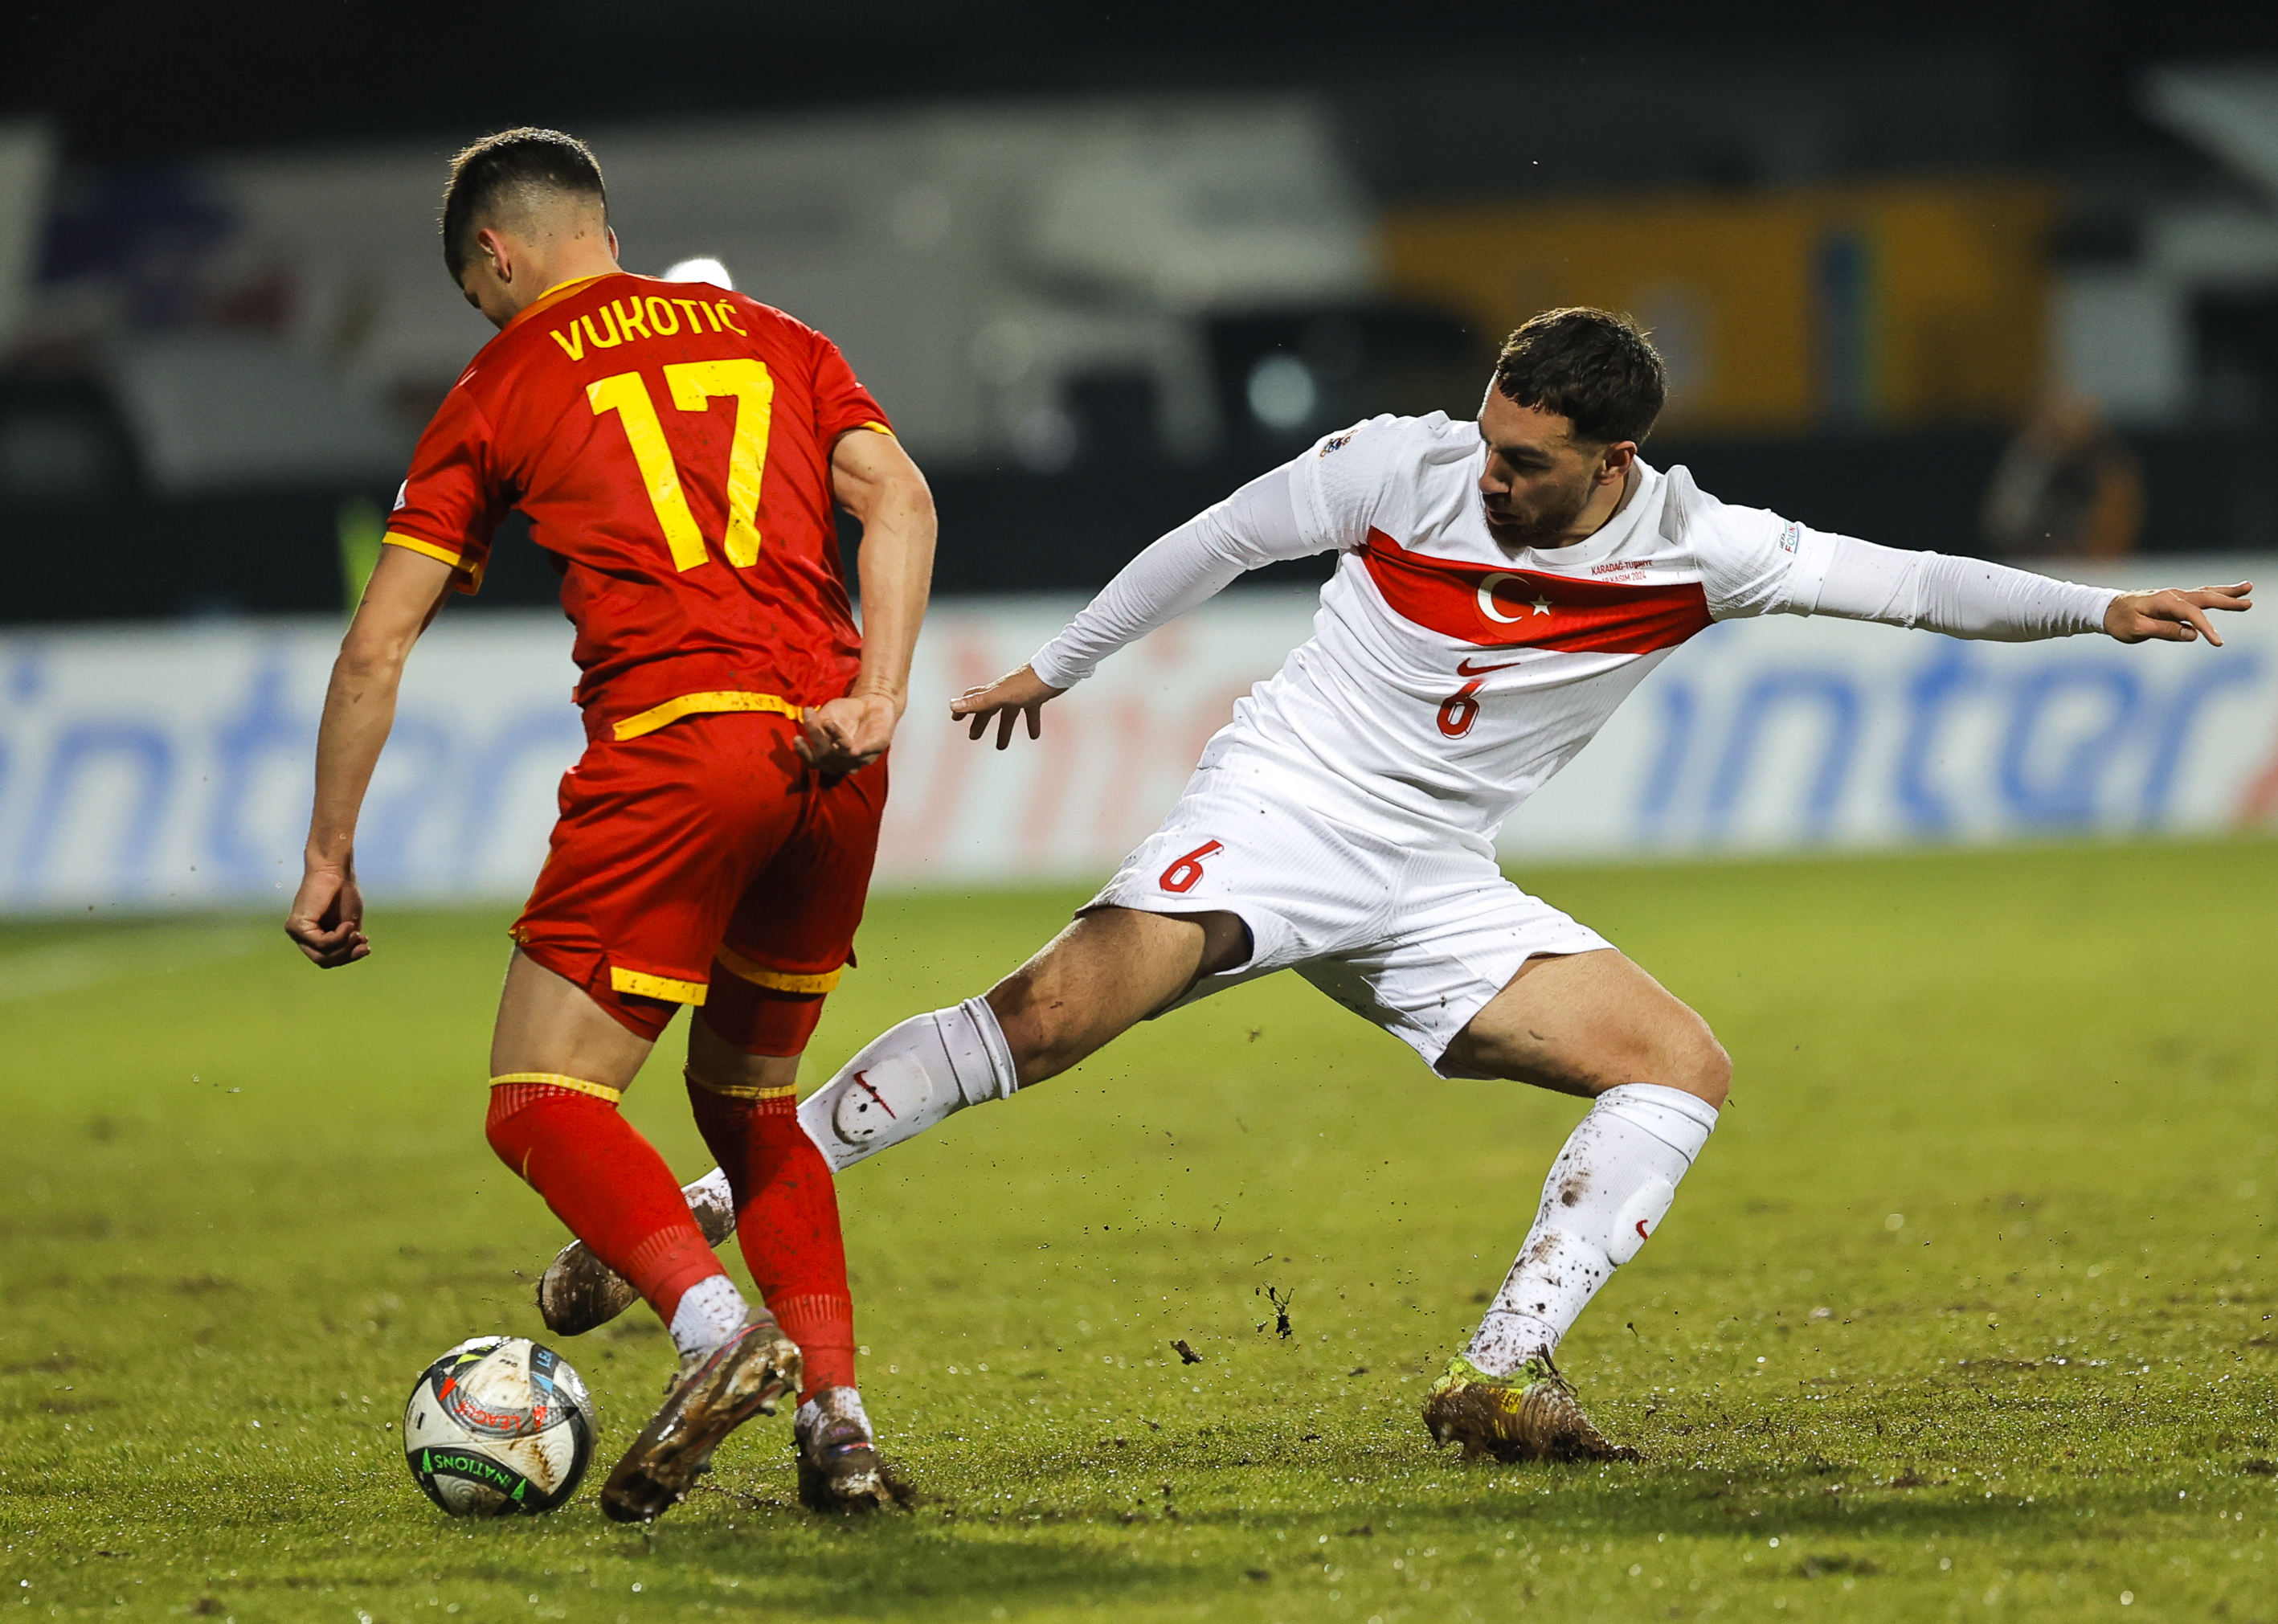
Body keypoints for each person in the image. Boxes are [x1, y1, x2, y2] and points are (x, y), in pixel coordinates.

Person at [538, 306, 2248, 1462]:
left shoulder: (1699, 551)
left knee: (1678, 1065)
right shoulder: (1397, 465)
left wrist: (2095, 607)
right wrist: (1058, 665)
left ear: (1611, 462)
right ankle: (688, 1217)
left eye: (1523, 461)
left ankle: (1500, 1374)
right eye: (1487, 439)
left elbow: (1910, 583)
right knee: (1050, 1019)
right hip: (1287, 805)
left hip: (1430, 879)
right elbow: (1219, 537)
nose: (1485, 473)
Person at [284, 128, 936, 1519]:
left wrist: (330, 849)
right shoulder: (781, 334)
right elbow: (899, 498)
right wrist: (879, 697)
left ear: (497, 255)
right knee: (750, 1097)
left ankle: (719, 1333)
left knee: (542, 1100)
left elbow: (374, 651)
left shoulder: (501, 379)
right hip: (835, 753)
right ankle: (842, 1426)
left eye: (479, 291)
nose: (486, 311)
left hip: (680, 750)